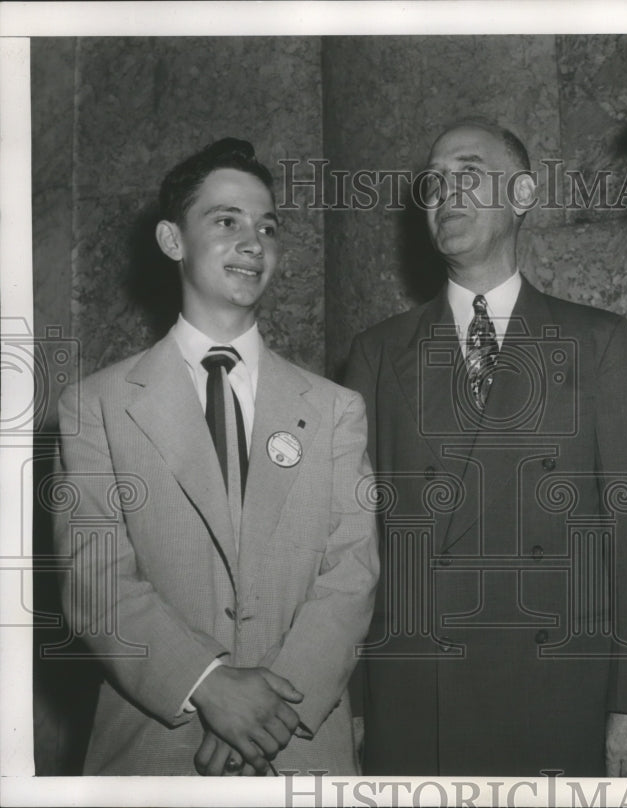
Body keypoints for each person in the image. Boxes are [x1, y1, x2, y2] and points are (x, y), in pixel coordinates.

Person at [343, 119, 627, 776]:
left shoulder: (598, 341)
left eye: (468, 173)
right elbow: (350, 539)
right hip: (417, 696)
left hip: (561, 692)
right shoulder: (378, 352)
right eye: (433, 183)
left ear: (522, 194)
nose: (445, 193)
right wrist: (349, 699)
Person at [54, 138, 379, 776]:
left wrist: (265, 714)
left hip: (300, 749)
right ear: (173, 240)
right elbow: (96, 583)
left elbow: (352, 575)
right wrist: (209, 687)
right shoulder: (97, 406)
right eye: (226, 221)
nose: (253, 242)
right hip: (154, 750)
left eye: (267, 227)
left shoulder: (336, 408)